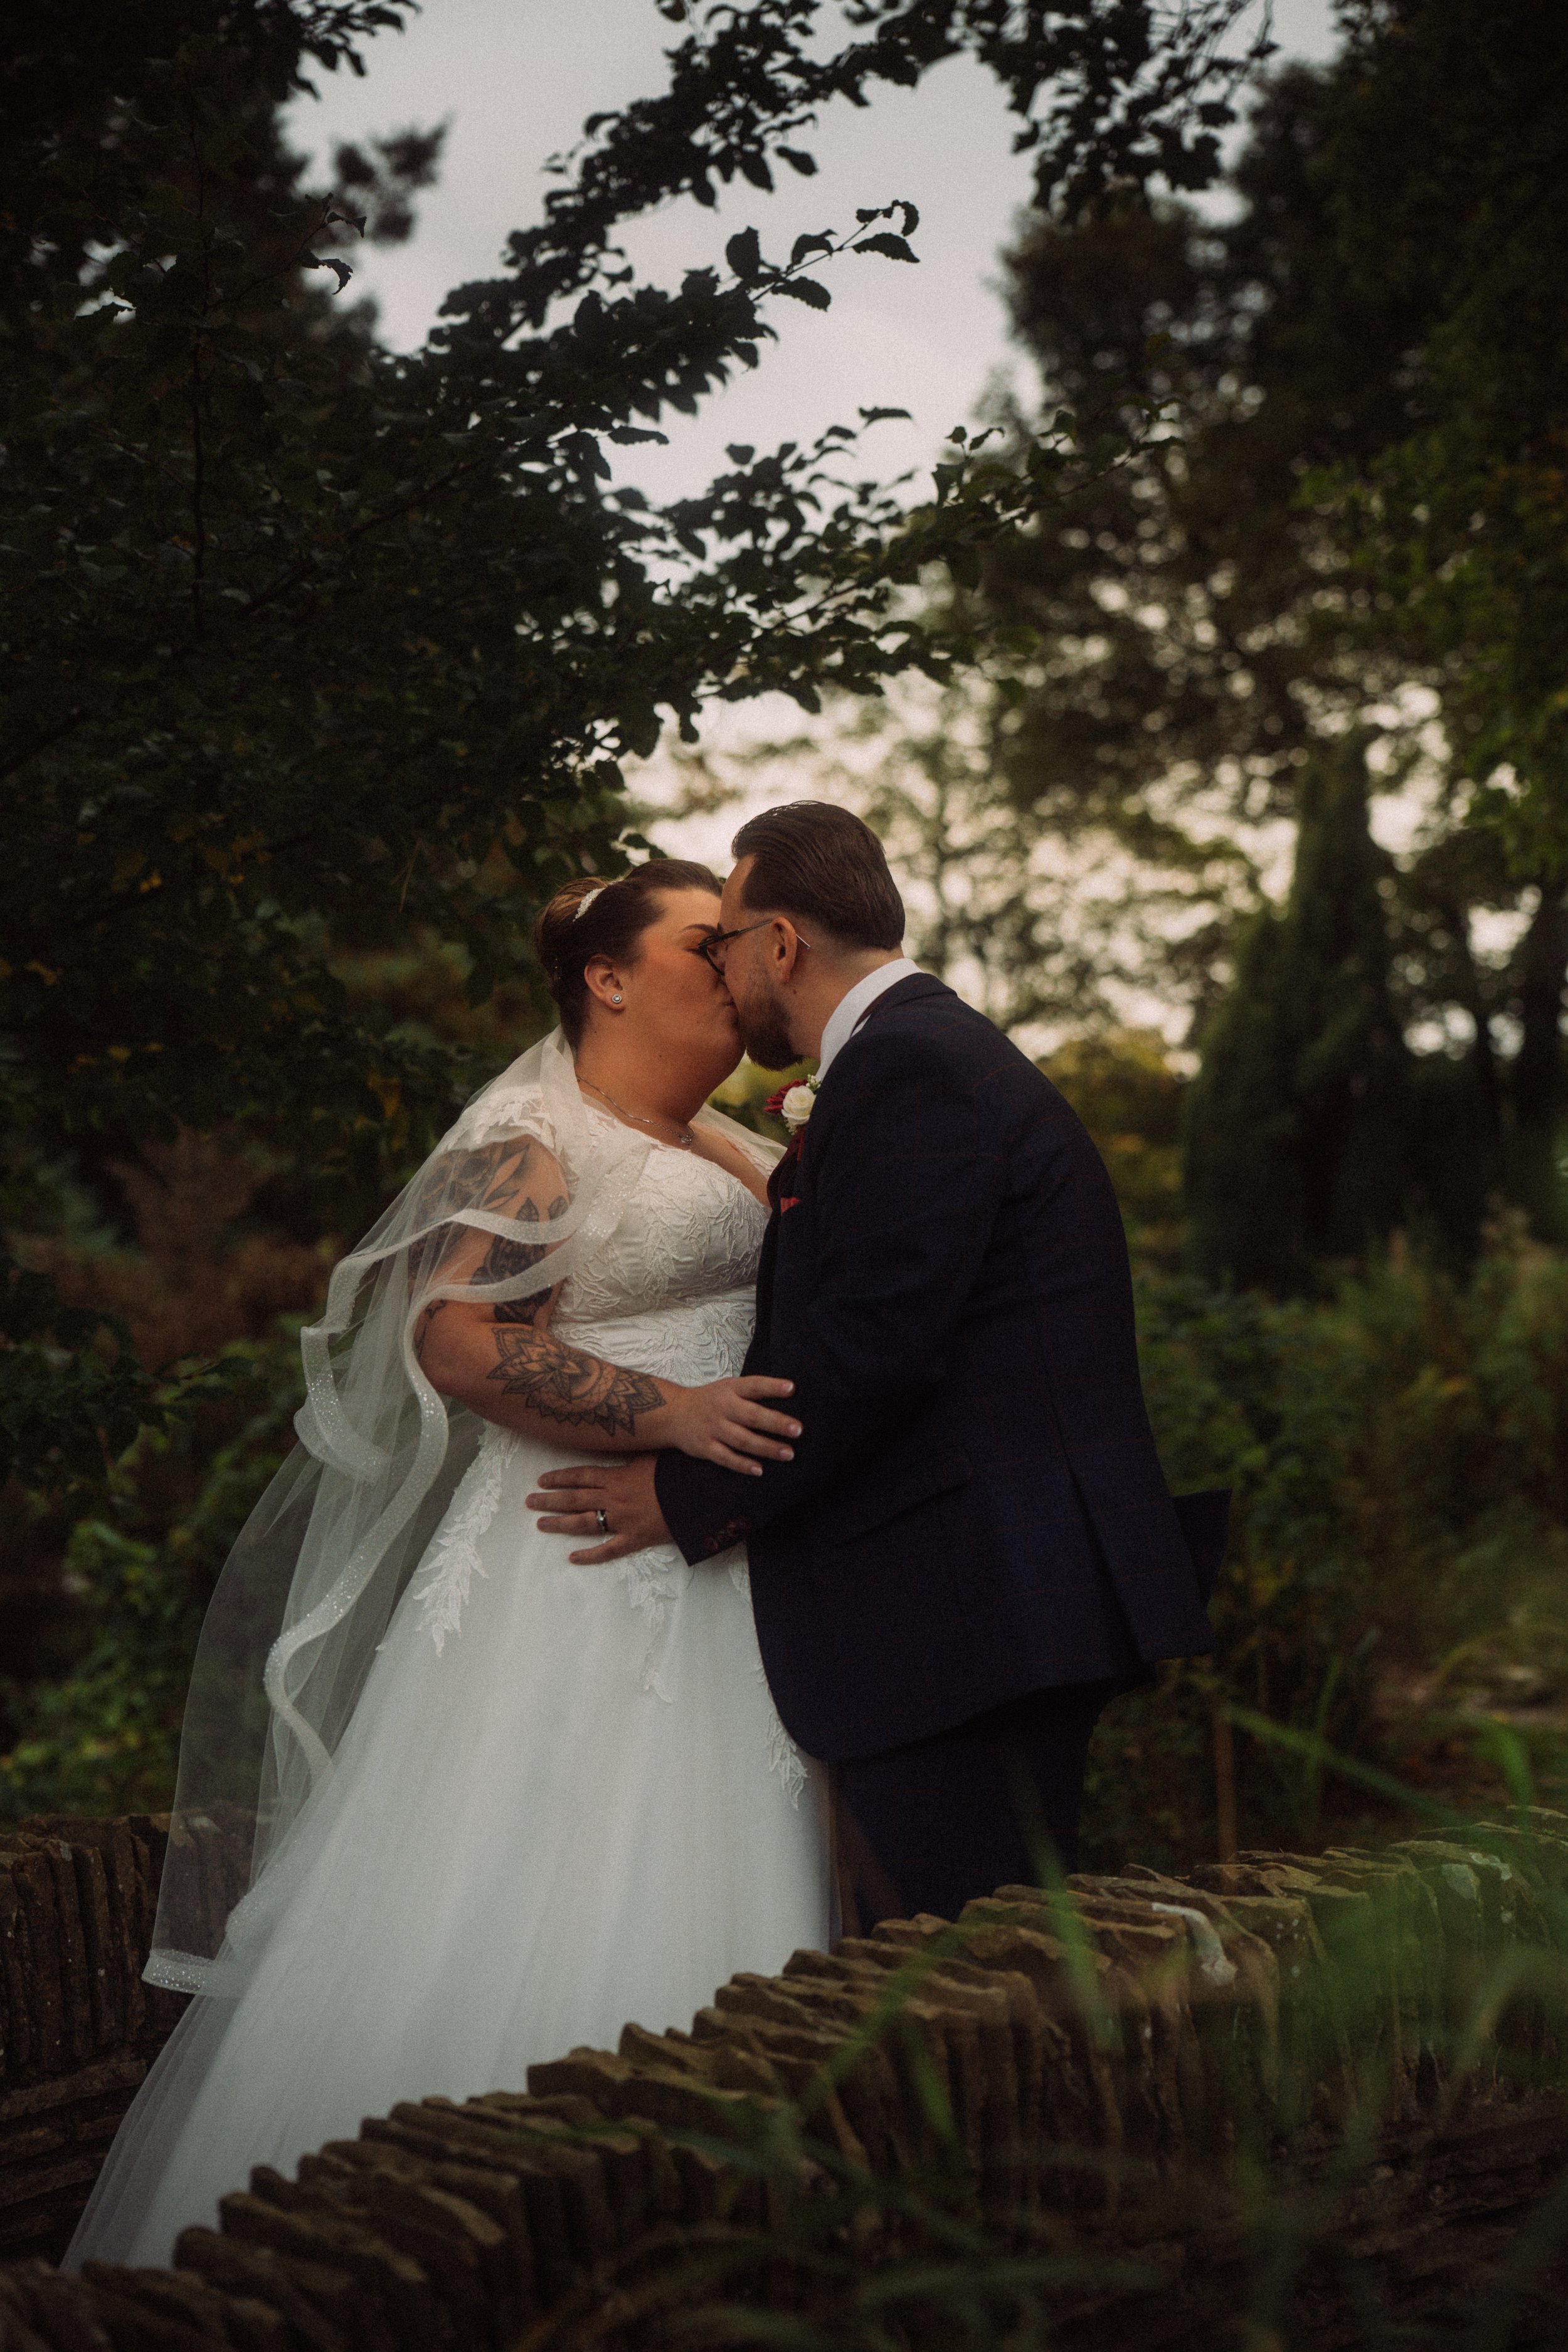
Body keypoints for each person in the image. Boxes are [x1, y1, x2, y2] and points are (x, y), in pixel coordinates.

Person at [66, 861, 832, 2272]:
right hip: (568, 1562)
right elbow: (457, 1340)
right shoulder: (531, 1135)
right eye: (701, 944)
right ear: (607, 977)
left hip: (712, 1567)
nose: (732, 968)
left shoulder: (729, 1141)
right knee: (525, 1875)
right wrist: (671, 1416)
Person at [531, 804, 1225, 1928]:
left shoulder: (910, 1067)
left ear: (781, 944)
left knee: (967, 1974)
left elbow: (872, 1351)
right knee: (970, 1960)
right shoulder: (914, 1055)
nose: (723, 975)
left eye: (725, 944)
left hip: (973, 1612)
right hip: (980, 1606)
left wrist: (684, 1495)